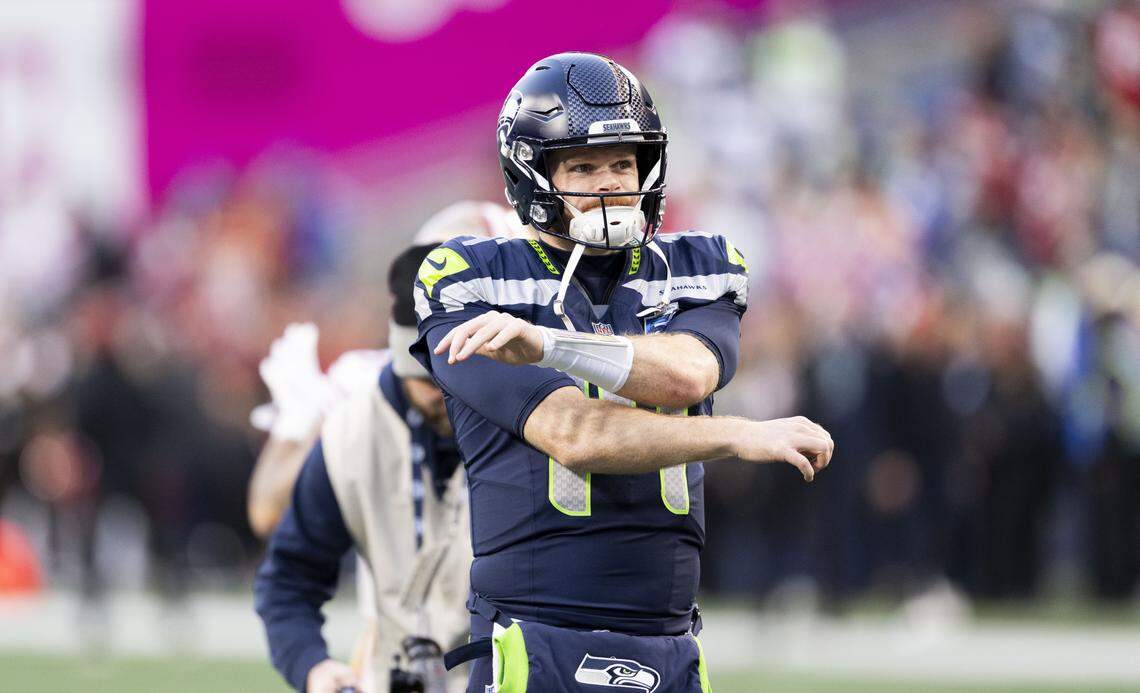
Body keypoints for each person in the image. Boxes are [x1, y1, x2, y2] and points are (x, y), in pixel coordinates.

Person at [411, 53, 834, 691]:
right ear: (533, 173)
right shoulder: (474, 280)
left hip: (669, 635)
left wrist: (550, 344)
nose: (609, 182)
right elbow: (578, 435)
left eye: (622, 162)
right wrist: (736, 434)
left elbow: (687, 377)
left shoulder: (698, 264)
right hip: (536, 631)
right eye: (582, 165)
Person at [253, 200, 521, 693]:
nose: (448, 397)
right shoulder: (363, 399)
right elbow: (271, 520)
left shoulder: (543, 403)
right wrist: (298, 425)